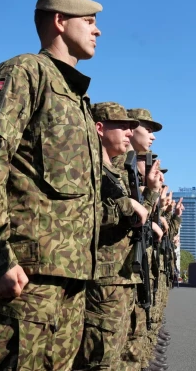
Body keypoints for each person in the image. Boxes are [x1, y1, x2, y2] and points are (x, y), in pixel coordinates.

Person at [0, 0, 102, 371]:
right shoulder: (24, 72)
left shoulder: (76, 98)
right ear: (58, 21)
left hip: (70, 276)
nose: (97, 31)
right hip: (26, 277)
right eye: (88, 21)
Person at [73, 102, 162, 371]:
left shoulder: (116, 172)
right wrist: (134, 203)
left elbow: (138, 220)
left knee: (116, 352)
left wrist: (151, 194)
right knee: (99, 359)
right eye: (123, 125)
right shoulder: (88, 168)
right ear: (99, 128)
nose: (129, 131)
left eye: (132, 126)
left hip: (120, 273)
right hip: (104, 275)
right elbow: (77, 216)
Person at [125, 108, 171, 370]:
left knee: (139, 313)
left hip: (137, 262)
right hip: (120, 265)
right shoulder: (117, 168)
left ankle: (142, 355)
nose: (152, 136)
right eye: (148, 129)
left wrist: (158, 202)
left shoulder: (131, 174)